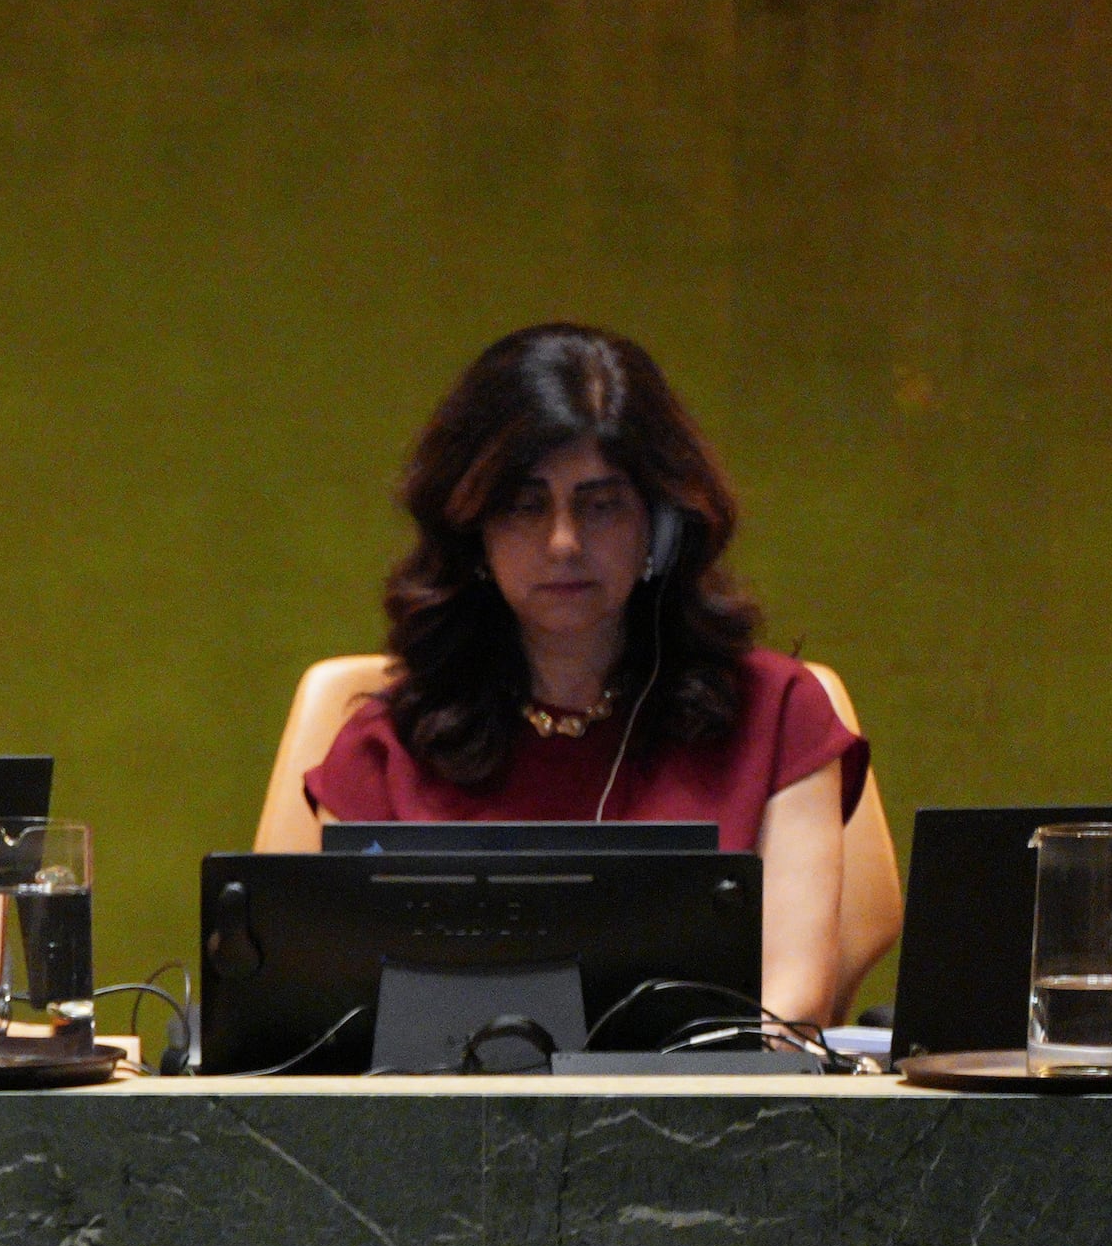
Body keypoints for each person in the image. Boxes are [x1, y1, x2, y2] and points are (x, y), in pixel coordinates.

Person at [280, 323, 884, 1025]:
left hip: (714, 1124)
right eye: (525, 505)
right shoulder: (383, 748)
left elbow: (791, 1008)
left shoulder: (777, 717)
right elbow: (316, 1021)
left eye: (601, 505)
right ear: (473, 529)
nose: (563, 543)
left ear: (660, 526)